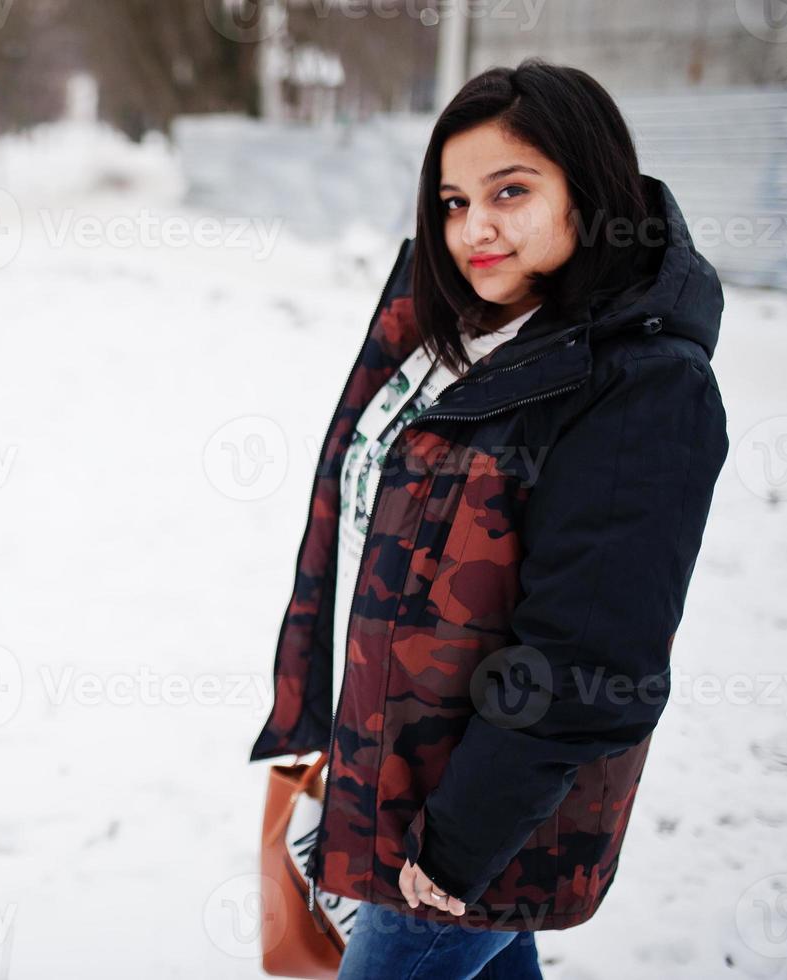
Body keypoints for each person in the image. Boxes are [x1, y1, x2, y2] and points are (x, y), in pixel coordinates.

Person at [250, 59, 730, 978]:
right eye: (452, 201)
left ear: (589, 191)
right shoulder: (445, 331)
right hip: (398, 779)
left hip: (466, 828)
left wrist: (457, 846)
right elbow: (353, 526)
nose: (475, 228)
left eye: (510, 191)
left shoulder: (640, 385)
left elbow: (589, 661)